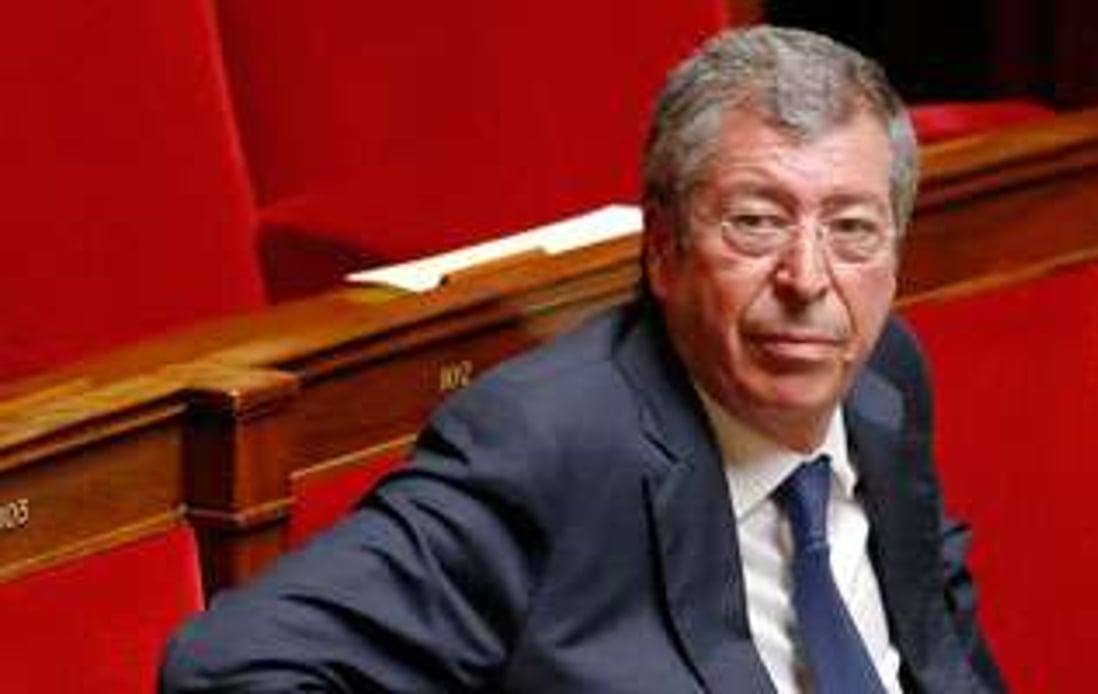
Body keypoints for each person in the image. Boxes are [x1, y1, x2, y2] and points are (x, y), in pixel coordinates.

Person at [161, 26, 1004, 692]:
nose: (808, 280)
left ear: (895, 255)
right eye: (755, 221)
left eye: (852, 229)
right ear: (664, 251)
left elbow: (934, 647)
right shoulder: (547, 443)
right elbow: (233, 668)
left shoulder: (883, 373)